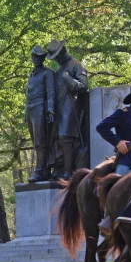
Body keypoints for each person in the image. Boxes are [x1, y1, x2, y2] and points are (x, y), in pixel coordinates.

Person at [46, 39, 88, 180]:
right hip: (59, 109)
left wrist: (68, 79)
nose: (57, 59)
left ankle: (68, 171)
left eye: (58, 55)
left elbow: (83, 87)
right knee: (56, 140)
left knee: (65, 138)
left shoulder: (76, 65)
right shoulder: (58, 70)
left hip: (71, 106)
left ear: (63, 52)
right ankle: (60, 168)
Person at [26, 46, 56, 183]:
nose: (37, 59)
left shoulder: (48, 72)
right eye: (35, 56)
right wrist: (26, 112)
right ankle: (43, 171)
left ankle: (39, 171)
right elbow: (28, 94)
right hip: (31, 109)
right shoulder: (31, 74)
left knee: (40, 141)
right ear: (32, 57)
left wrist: (50, 109)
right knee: (35, 143)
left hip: (40, 107)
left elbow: (51, 92)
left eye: (40, 57)